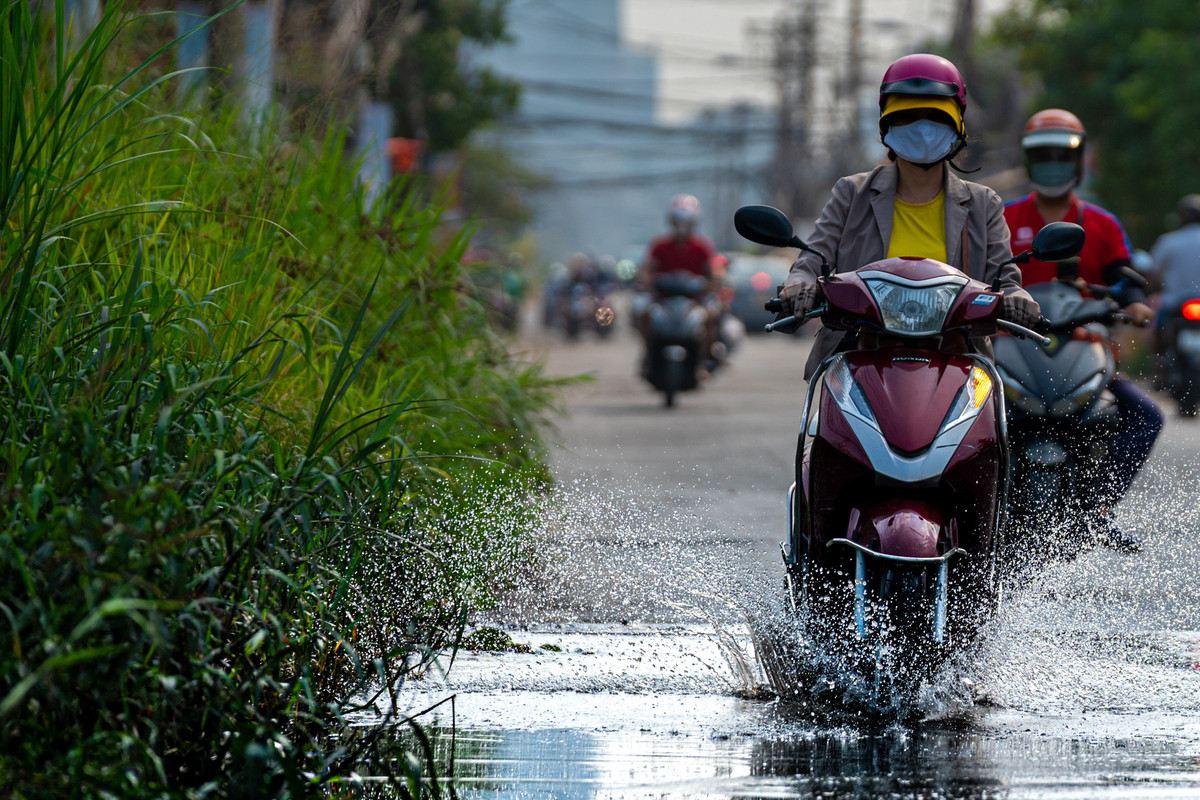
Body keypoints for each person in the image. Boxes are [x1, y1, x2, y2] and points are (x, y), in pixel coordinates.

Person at [778, 53, 1040, 380]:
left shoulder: (983, 203)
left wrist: (1017, 298)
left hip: (959, 362)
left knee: (988, 431)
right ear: (886, 125)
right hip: (858, 355)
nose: (922, 128)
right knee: (827, 430)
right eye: (907, 116)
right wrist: (799, 283)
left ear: (958, 125)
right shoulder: (851, 193)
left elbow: (1005, 279)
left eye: (935, 116)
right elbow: (813, 257)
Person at [1003, 108, 1162, 552]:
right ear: (1028, 159)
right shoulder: (1001, 219)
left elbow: (1125, 276)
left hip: (1084, 351)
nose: (1053, 162)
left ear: (1080, 160)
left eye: (1062, 154)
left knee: (1146, 417)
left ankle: (1096, 510)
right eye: (1044, 154)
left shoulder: (1102, 224)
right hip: (1008, 351)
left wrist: (1133, 302)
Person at [638, 194, 721, 372]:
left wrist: (712, 283)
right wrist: (647, 281)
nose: (682, 227)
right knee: (644, 313)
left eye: (687, 222)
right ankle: (648, 355)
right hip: (664, 299)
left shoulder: (703, 247)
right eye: (678, 222)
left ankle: (703, 359)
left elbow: (713, 272)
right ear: (671, 222)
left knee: (712, 316)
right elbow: (646, 269)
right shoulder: (659, 245)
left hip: (694, 300)